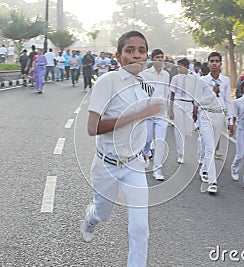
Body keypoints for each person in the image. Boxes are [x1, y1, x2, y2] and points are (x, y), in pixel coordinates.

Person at [80, 30, 163, 267]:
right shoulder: (108, 82)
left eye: (141, 50)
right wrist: (136, 115)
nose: (137, 55)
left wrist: (142, 148)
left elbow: (141, 124)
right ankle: (91, 218)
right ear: (118, 56)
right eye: (130, 50)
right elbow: (92, 128)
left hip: (134, 165)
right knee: (102, 213)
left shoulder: (146, 85)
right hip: (107, 165)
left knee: (140, 228)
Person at [199, 52, 234, 192]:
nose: (214, 63)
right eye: (212, 61)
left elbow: (227, 100)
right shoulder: (202, 81)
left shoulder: (225, 80)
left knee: (212, 147)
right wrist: (213, 93)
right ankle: (213, 182)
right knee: (209, 147)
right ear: (208, 63)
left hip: (219, 115)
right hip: (206, 114)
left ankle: (204, 170)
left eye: (217, 61)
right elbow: (199, 100)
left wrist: (230, 119)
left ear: (220, 64)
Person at [142, 48, 170, 180]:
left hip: (162, 114)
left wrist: (168, 108)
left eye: (161, 57)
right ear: (152, 59)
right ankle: (145, 154)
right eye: (157, 57)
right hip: (148, 113)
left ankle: (157, 169)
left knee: (159, 141)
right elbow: (142, 93)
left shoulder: (166, 75)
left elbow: (166, 92)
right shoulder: (145, 74)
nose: (160, 59)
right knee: (147, 140)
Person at [169, 58, 198, 164]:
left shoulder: (194, 78)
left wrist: (196, 108)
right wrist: (170, 109)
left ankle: (184, 148)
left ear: (186, 67)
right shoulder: (175, 78)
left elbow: (196, 94)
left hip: (189, 103)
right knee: (178, 130)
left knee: (188, 131)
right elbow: (171, 94)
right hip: (178, 103)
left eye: (180, 66)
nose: (178, 69)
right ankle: (180, 154)